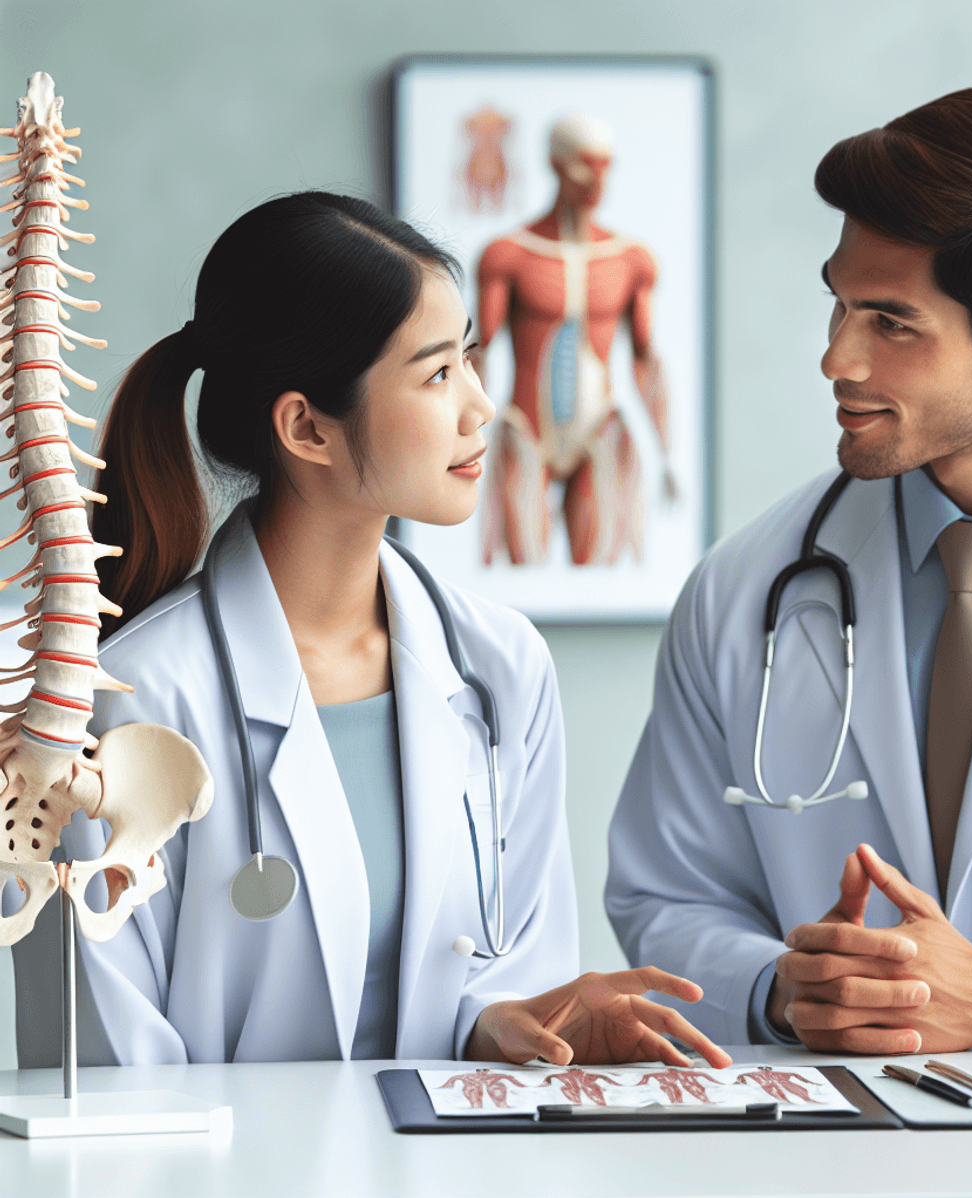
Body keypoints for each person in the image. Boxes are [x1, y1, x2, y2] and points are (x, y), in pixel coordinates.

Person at [13, 192, 729, 1070]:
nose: (481, 407)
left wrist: (499, 1024)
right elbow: (95, 1073)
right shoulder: (121, 707)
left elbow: (511, 968)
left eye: (470, 358)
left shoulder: (502, 669)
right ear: (307, 427)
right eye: (436, 375)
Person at [606, 85, 972, 1055]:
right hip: (835, 1153)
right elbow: (666, 895)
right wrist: (782, 989)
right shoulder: (746, 588)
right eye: (837, 302)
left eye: (890, 322)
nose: (836, 357)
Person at [476, 112, 673, 567]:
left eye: (606, 165)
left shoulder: (630, 259)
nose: (597, 179)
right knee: (524, 577)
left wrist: (667, 455)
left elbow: (645, 360)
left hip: (598, 431)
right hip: (526, 431)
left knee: (596, 576)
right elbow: (477, 355)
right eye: (585, 165)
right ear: (556, 165)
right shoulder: (509, 254)